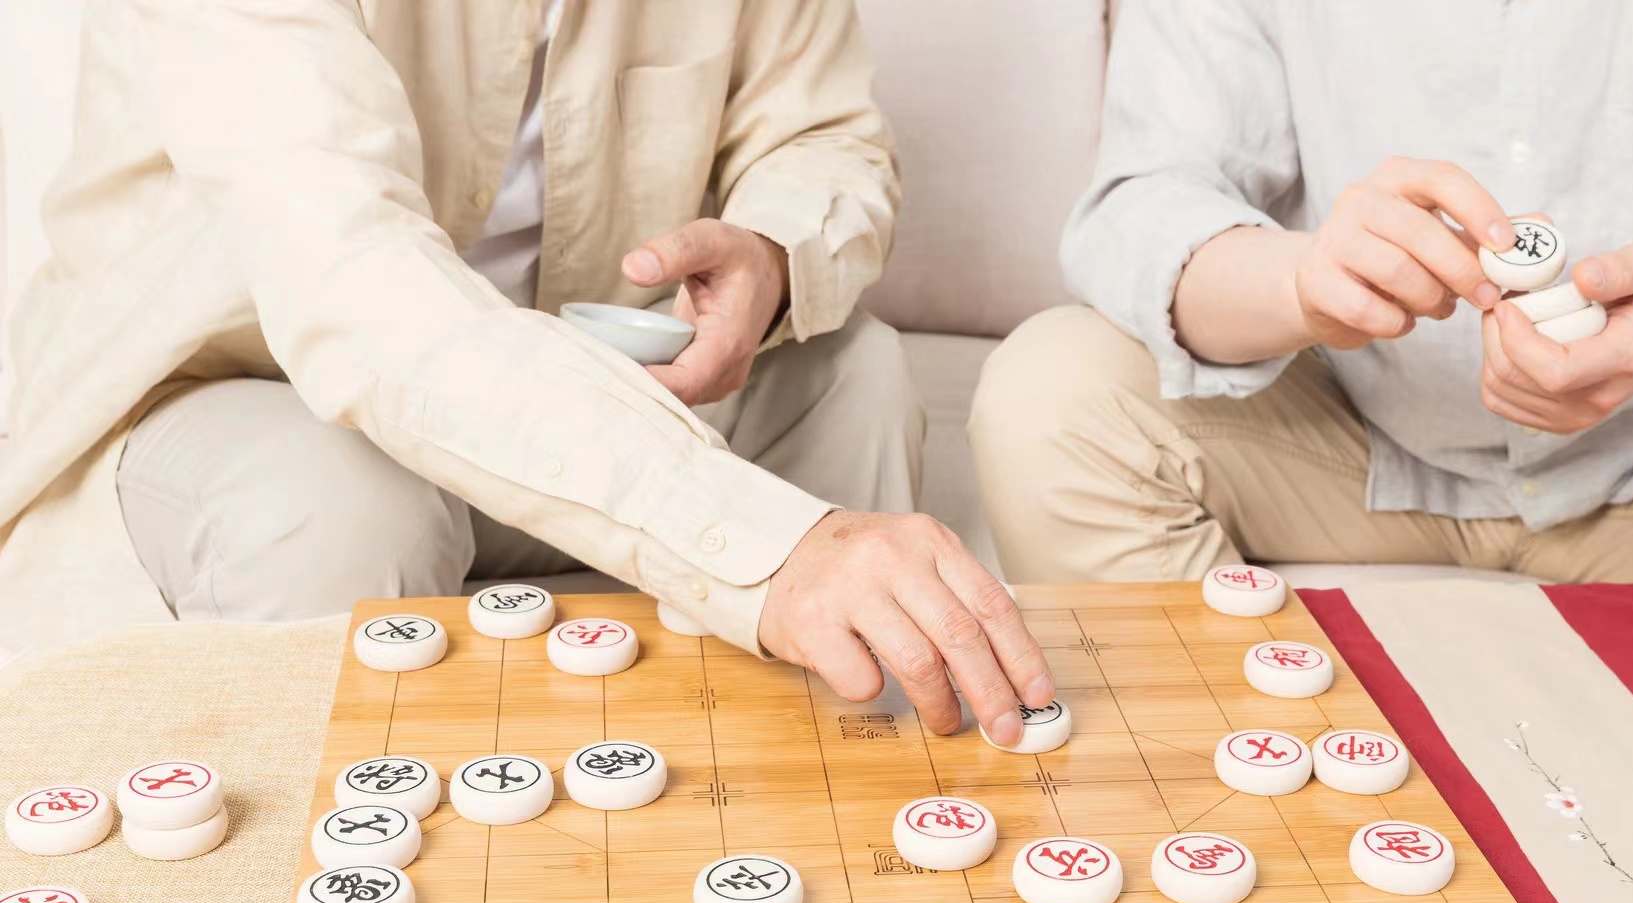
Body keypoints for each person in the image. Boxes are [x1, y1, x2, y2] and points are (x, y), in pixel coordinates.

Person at [0, 0, 1051, 745]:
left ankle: (811, 801)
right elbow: (360, 296)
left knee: (850, 373)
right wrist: (765, 548)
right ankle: (346, 898)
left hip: (584, 378)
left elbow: (822, 134)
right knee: (342, 501)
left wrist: (773, 254)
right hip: (246, 391)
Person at [969, 0, 1633, 643]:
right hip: (1352, 446)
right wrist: (1305, 282)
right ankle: (1241, 758)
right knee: (1052, 395)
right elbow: (1144, 206)